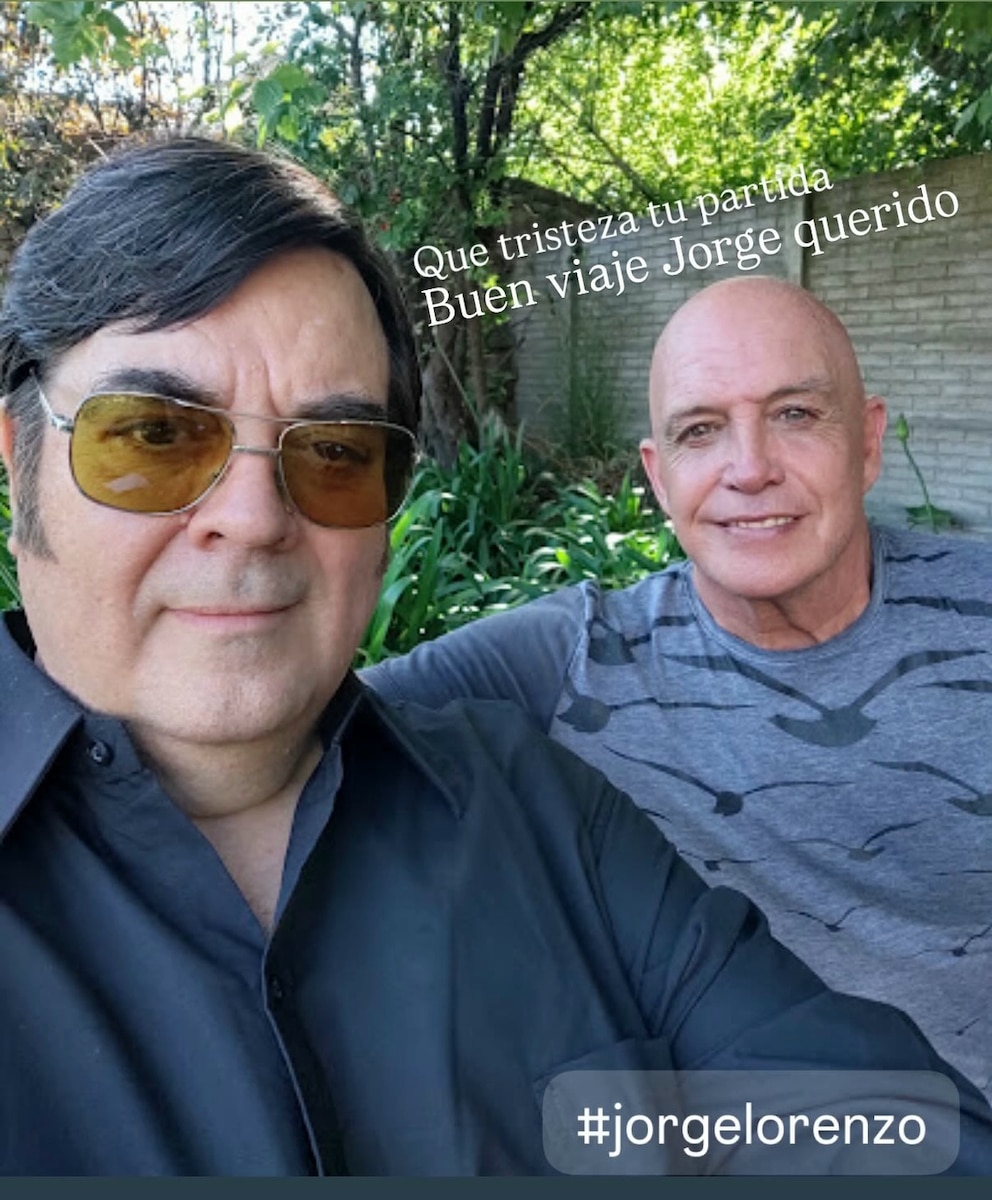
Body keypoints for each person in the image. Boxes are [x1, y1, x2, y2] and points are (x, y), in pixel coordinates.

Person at [0, 140, 989, 1178]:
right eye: (154, 436)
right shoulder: (568, 657)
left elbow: (881, 1128)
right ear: (20, 460)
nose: (252, 518)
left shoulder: (538, 804)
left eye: (334, 452)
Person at [365, 276, 992, 1104]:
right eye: (701, 431)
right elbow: (302, 728)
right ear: (659, 479)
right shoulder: (571, 660)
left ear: (868, 443)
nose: (750, 469)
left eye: (796, 414)